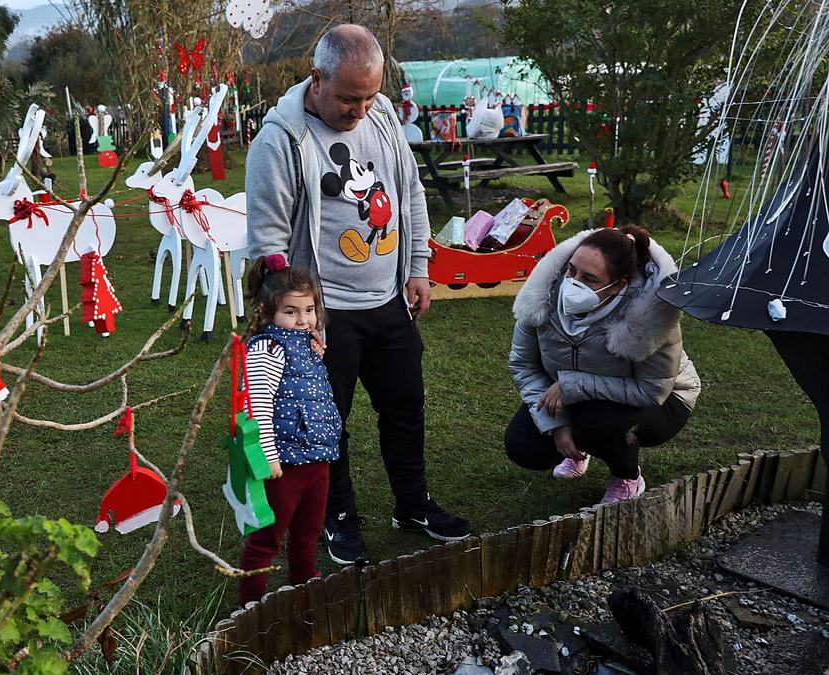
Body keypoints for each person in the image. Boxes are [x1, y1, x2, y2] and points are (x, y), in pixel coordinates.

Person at [246, 24, 472, 567]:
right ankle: (338, 518)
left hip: (389, 301)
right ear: (316, 77)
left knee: (405, 408)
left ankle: (412, 506)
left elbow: (409, 192)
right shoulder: (280, 140)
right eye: (350, 99)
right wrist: (293, 323)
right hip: (326, 315)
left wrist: (418, 266)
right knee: (326, 423)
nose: (361, 110)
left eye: (370, 97)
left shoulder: (385, 116)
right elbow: (267, 244)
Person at [504, 226, 702, 503]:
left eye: (590, 278)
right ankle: (579, 449)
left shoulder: (650, 314)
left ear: (618, 286)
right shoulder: (542, 296)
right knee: (523, 446)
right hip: (579, 394)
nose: (573, 283)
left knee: (599, 424)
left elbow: (651, 390)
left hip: (665, 399)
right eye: (571, 270)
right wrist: (556, 424)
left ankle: (627, 477)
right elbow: (523, 365)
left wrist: (573, 385)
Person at [238, 255, 341, 605]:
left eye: (309, 310)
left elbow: (304, 391)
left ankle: (303, 583)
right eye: (291, 312)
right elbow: (256, 402)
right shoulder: (267, 348)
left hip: (317, 459)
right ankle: (250, 603)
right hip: (283, 463)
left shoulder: (307, 344)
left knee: (308, 531)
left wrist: (317, 354)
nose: (303, 320)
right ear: (268, 313)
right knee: (266, 537)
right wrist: (266, 453)